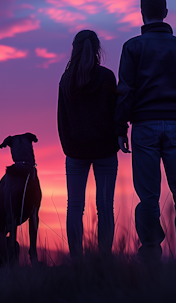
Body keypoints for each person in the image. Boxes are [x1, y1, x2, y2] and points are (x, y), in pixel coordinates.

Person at [115, 0, 176, 264]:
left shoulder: (132, 47)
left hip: (144, 127)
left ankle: (151, 252)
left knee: (149, 196)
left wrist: (121, 127)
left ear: (142, 13)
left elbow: (125, 91)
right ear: (165, 12)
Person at [57, 30, 120, 262]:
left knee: (75, 206)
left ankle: (77, 261)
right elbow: (115, 112)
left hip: (75, 152)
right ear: (97, 49)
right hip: (105, 150)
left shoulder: (66, 80)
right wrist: (116, 138)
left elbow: (61, 118)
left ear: (74, 49)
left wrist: (68, 147)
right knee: (105, 207)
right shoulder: (106, 77)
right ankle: (104, 260)